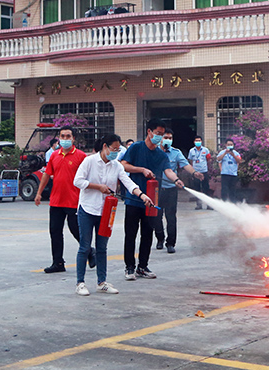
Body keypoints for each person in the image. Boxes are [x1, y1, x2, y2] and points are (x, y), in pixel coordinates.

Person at [72, 134, 152, 296]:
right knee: (85, 246)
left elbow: (128, 183)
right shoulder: (90, 161)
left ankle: (102, 282)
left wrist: (142, 195)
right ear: (105, 147)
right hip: (87, 209)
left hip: (106, 210)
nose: (116, 152)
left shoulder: (116, 165)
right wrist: (97, 187)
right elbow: (77, 181)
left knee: (102, 248)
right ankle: (80, 283)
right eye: (113, 149)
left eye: (118, 149)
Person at [120, 120, 183, 280]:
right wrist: (141, 170)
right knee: (131, 234)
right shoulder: (136, 148)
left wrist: (176, 180)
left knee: (147, 234)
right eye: (158, 133)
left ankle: (143, 266)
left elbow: (168, 170)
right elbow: (123, 165)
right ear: (149, 132)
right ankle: (129, 267)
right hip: (134, 198)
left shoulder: (161, 154)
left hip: (152, 200)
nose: (159, 137)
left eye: (162, 135)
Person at [35, 127, 87, 274]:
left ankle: (90, 252)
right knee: (55, 231)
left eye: (68, 136)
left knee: (76, 230)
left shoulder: (81, 156)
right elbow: (46, 174)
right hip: (56, 200)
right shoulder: (54, 156)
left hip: (73, 200)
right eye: (62, 136)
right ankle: (58, 262)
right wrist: (39, 193)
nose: (65, 139)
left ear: (74, 138)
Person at [154, 130, 200, 253]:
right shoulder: (154, 151)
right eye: (166, 137)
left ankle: (170, 243)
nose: (168, 139)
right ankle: (160, 238)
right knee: (156, 217)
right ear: (161, 139)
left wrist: (194, 173)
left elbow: (185, 164)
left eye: (170, 137)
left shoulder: (176, 152)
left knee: (171, 217)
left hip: (170, 189)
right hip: (156, 190)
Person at [187, 138, 213, 210]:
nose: (198, 142)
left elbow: (208, 160)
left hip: (204, 171)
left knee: (206, 189)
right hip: (196, 172)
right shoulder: (191, 151)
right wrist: (192, 171)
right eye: (196, 141)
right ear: (194, 142)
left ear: (201, 141)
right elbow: (190, 161)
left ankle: (208, 204)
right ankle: (199, 205)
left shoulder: (205, 150)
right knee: (197, 189)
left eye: (199, 141)